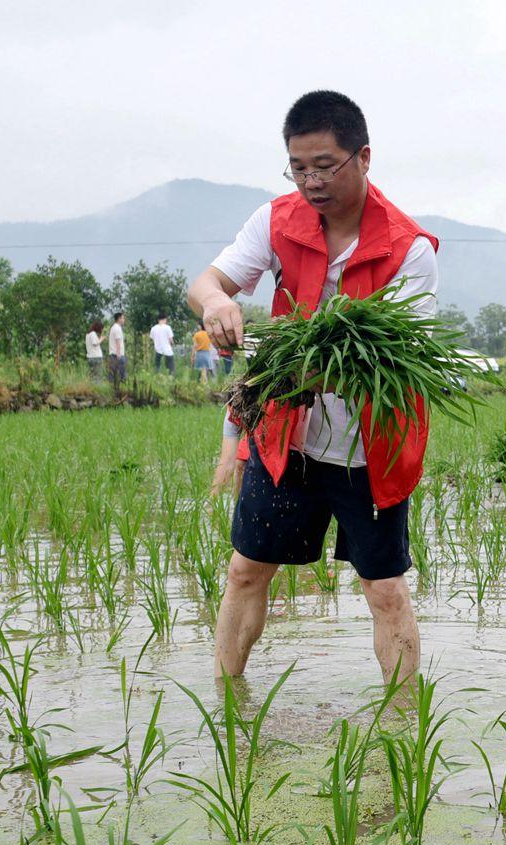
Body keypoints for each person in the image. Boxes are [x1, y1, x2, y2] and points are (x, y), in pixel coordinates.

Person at [186, 89, 439, 688]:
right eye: (298, 167)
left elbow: (399, 361)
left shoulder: (409, 249)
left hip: (366, 449)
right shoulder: (276, 219)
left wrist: (299, 372)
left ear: (364, 158)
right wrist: (218, 302)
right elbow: (207, 282)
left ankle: (404, 725)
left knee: (384, 589)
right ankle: (228, 704)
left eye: (325, 166)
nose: (311, 181)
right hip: (287, 441)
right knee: (246, 572)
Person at [107, 311, 127, 388]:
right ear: (119, 319)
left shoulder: (114, 327)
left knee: (112, 373)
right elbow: (118, 342)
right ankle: (123, 386)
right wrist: (119, 354)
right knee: (122, 373)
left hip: (113, 353)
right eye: (123, 318)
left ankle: (112, 386)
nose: (124, 320)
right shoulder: (117, 328)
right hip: (117, 354)